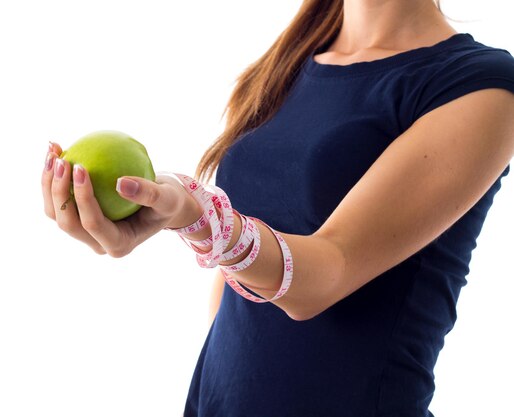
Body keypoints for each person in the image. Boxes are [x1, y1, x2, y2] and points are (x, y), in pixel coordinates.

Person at [41, 0, 514, 415]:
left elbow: (329, 270)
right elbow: (232, 289)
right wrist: (167, 209)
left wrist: (196, 217)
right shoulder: (284, 64)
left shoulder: (482, 88)